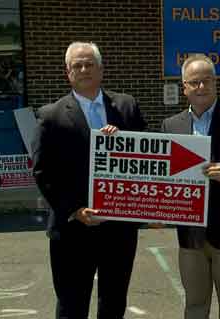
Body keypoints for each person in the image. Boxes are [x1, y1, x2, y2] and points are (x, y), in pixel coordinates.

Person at [31, 41, 146, 319]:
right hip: (72, 229)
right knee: (72, 304)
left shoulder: (127, 107)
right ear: (68, 73)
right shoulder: (51, 115)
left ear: (101, 69)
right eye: (77, 65)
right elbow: (43, 171)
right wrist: (75, 209)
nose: (83, 69)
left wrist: (124, 142)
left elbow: (147, 157)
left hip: (118, 228)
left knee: (114, 301)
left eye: (89, 64)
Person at [161, 54, 220, 319]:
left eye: (206, 81)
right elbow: (163, 176)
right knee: (195, 303)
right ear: (184, 87)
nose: (201, 87)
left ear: (215, 83)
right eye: (194, 82)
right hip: (191, 233)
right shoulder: (171, 125)